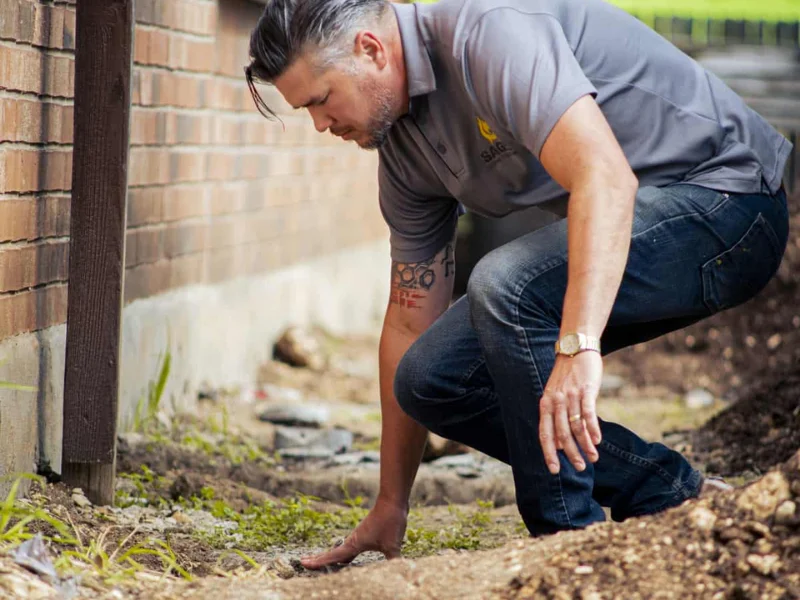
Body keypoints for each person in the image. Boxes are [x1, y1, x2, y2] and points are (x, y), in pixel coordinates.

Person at [245, 0, 792, 569]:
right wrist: (391, 504)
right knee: (432, 379)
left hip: (731, 204)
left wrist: (578, 346)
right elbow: (411, 322)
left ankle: (565, 551)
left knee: (508, 285)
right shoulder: (404, 155)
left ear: (370, 49)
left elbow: (603, 177)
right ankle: (673, 495)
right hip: (636, 230)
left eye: (319, 99)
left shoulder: (486, 34)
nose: (319, 124)